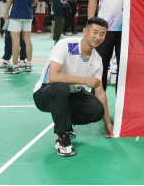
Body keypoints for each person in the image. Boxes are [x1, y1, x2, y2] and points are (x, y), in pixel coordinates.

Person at [33, 17, 114, 158]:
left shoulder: (97, 60)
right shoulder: (65, 45)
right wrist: (84, 80)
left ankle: (66, 123)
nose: (98, 37)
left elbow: (100, 93)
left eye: (102, 34)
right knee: (61, 87)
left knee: (97, 111)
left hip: (72, 94)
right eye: (95, 32)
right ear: (85, 31)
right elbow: (53, 76)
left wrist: (107, 123)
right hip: (46, 93)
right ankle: (62, 138)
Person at [89, 0, 142, 91]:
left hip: (125, 29)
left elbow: (138, 2)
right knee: (100, 66)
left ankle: (121, 101)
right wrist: (90, 23)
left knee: (124, 67)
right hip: (103, 29)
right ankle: (96, 100)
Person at [3, 0, 38, 74]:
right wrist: (28, 6)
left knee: (15, 41)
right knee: (28, 40)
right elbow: (36, 0)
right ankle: (29, 64)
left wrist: (6, 12)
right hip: (28, 15)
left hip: (16, 15)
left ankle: (15, 66)